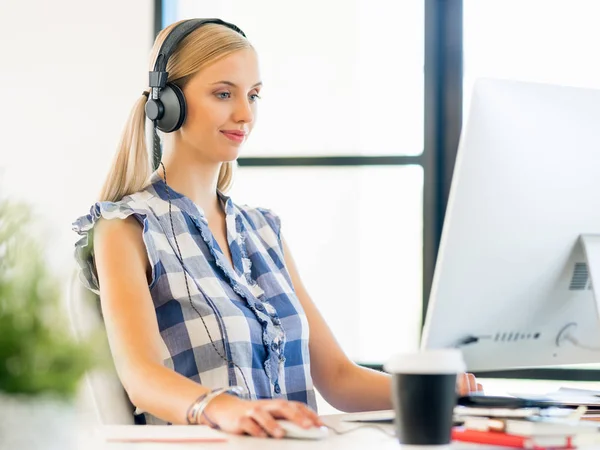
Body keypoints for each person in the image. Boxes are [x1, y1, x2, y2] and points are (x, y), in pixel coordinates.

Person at [72, 18, 482, 438]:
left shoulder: (263, 231)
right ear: (168, 103)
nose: (245, 114)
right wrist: (224, 409)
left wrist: (442, 391)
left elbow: (338, 378)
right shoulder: (125, 228)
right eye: (223, 94)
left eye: (253, 95)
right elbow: (140, 376)